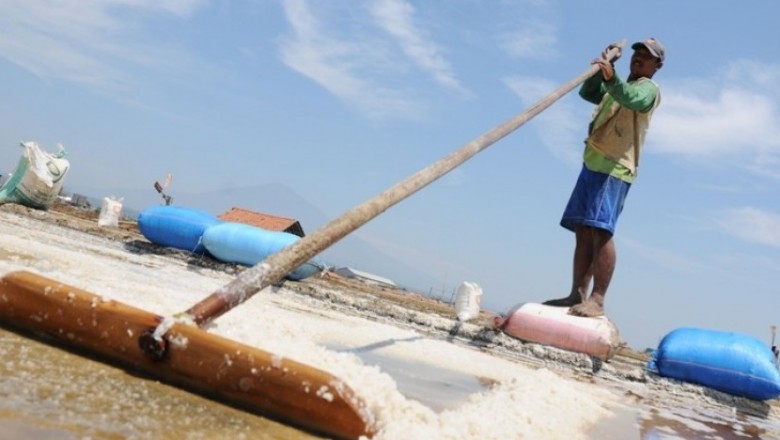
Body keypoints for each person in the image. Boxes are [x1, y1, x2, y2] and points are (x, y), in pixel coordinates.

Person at [543, 38, 665, 317]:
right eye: (637, 54)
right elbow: (589, 93)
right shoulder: (617, 86)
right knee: (583, 230)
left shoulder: (648, 89)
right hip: (593, 163)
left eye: (646, 57)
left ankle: (597, 299)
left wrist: (612, 77)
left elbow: (630, 99)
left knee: (601, 230)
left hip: (616, 167)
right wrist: (603, 69)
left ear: (657, 66)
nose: (639, 58)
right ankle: (577, 293)